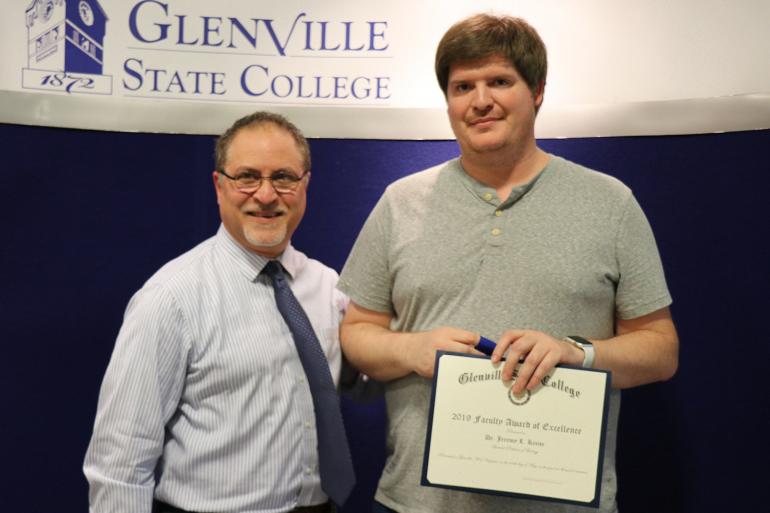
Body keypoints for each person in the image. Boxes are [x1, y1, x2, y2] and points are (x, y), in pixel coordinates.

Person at [337, 13, 678, 513]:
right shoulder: (399, 202)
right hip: (417, 503)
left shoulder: (610, 203)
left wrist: (575, 353)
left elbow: (660, 350)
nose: (480, 101)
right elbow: (356, 332)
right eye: (462, 86)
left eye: (499, 81)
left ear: (536, 91)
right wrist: (414, 349)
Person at [84, 111, 354, 513]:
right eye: (247, 176)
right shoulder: (171, 298)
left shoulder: (328, 287)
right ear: (219, 186)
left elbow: (367, 379)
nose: (265, 195)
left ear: (305, 185)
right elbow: (120, 461)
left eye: (283, 177)